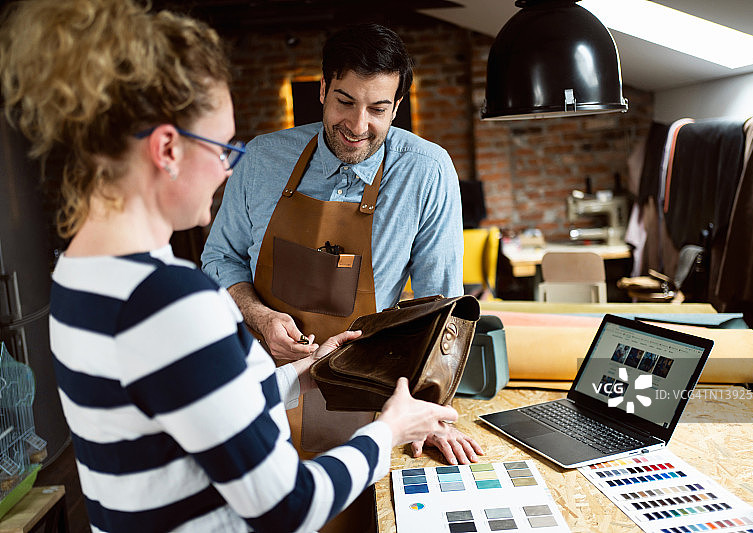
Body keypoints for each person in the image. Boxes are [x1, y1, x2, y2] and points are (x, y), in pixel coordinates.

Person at [0, 1, 461, 531]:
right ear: (167, 149)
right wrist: (390, 430)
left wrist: (310, 369)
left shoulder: (79, 272)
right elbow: (287, 506)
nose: (228, 169)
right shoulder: (177, 300)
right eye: (222, 147)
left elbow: (189, 409)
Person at [201, 22, 481, 465]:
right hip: (258, 389)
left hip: (363, 398)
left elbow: (439, 309)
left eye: (378, 109)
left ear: (397, 107)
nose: (357, 125)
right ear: (323, 89)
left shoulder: (427, 171)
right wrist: (261, 317)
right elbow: (221, 259)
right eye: (345, 102)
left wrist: (429, 411)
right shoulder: (261, 159)